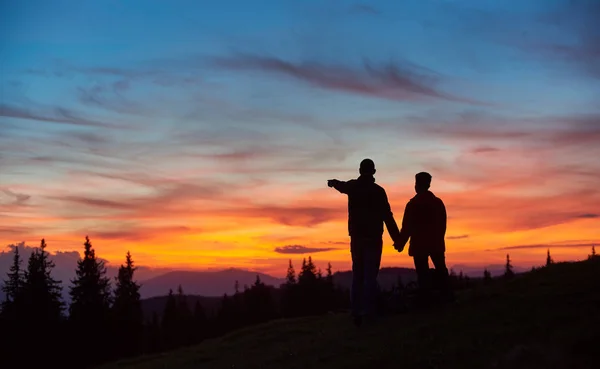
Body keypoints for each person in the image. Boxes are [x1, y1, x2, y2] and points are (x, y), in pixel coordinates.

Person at [328, 158, 401, 325]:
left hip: (357, 238)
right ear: (374, 172)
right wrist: (397, 239)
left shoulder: (353, 187)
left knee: (358, 276)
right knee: (370, 276)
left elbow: (341, 185)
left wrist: (332, 183)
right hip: (374, 238)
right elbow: (387, 217)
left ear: (360, 170)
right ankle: (369, 312)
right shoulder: (378, 191)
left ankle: (356, 312)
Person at [394, 172, 452, 303]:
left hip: (419, 245)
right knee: (441, 270)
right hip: (436, 243)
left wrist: (400, 243)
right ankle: (447, 296)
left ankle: (426, 300)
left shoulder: (413, 204)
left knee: (422, 273)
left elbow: (406, 227)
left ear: (417, 185)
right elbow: (443, 224)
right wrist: (439, 238)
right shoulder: (438, 203)